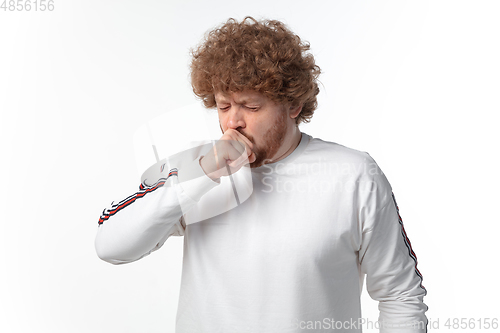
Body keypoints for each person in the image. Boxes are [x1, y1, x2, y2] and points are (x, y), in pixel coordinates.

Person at [95, 17, 428, 333]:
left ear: (293, 105)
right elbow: (112, 245)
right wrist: (201, 176)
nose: (232, 123)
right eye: (223, 107)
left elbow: (400, 294)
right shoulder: (195, 166)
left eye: (251, 107)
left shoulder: (354, 175)